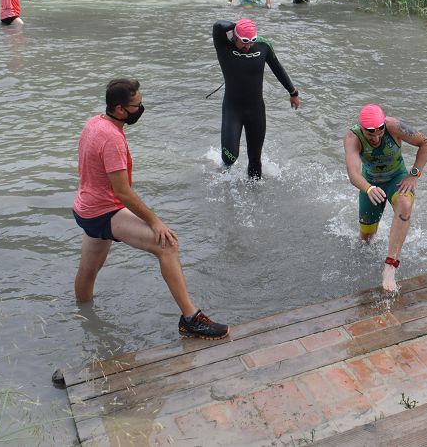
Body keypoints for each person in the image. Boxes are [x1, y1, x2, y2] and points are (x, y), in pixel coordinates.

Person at [72, 78, 229, 339]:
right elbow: (122, 191)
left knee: (88, 270)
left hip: (85, 208)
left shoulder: (95, 123)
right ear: (120, 109)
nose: (141, 107)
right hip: (103, 211)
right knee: (167, 245)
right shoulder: (112, 138)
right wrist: (155, 221)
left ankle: (83, 320)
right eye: (137, 104)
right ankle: (191, 319)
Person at [344, 104, 427, 292]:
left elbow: (426, 143)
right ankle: (364, 273)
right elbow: (353, 174)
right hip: (370, 184)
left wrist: (413, 174)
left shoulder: (393, 126)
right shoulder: (353, 138)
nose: (376, 139)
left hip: (397, 179)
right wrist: (368, 189)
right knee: (366, 239)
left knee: (404, 203)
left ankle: (390, 266)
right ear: (362, 129)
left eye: (379, 133)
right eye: (370, 136)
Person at [213, 18, 299, 179]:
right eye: (244, 42)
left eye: (251, 41)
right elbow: (218, 26)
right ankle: (224, 182)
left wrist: (293, 92)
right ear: (235, 36)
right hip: (233, 109)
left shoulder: (263, 45)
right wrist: (239, 25)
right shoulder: (223, 46)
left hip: (256, 110)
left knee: (255, 160)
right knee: (230, 157)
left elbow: (277, 68)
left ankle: (256, 197)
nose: (248, 46)